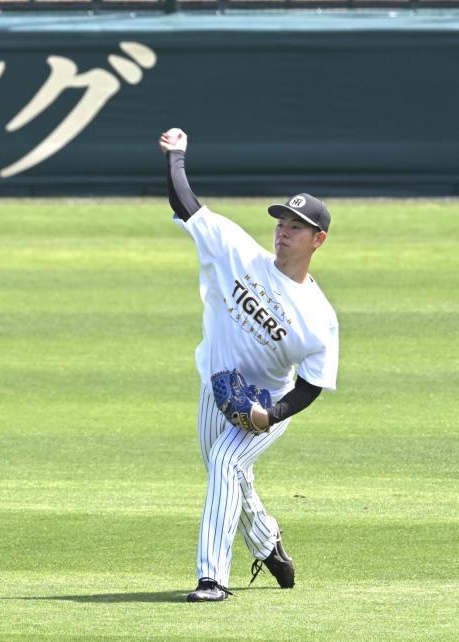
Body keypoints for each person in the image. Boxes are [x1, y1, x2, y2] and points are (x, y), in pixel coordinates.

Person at [159, 128, 339, 602]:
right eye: (281, 221)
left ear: (317, 240)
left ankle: (211, 579)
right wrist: (176, 155)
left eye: (295, 226)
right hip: (215, 389)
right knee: (226, 475)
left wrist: (270, 416)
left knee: (224, 461)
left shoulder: (319, 317)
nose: (283, 230)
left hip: (267, 403)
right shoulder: (238, 251)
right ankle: (267, 540)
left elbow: (312, 384)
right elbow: (185, 204)